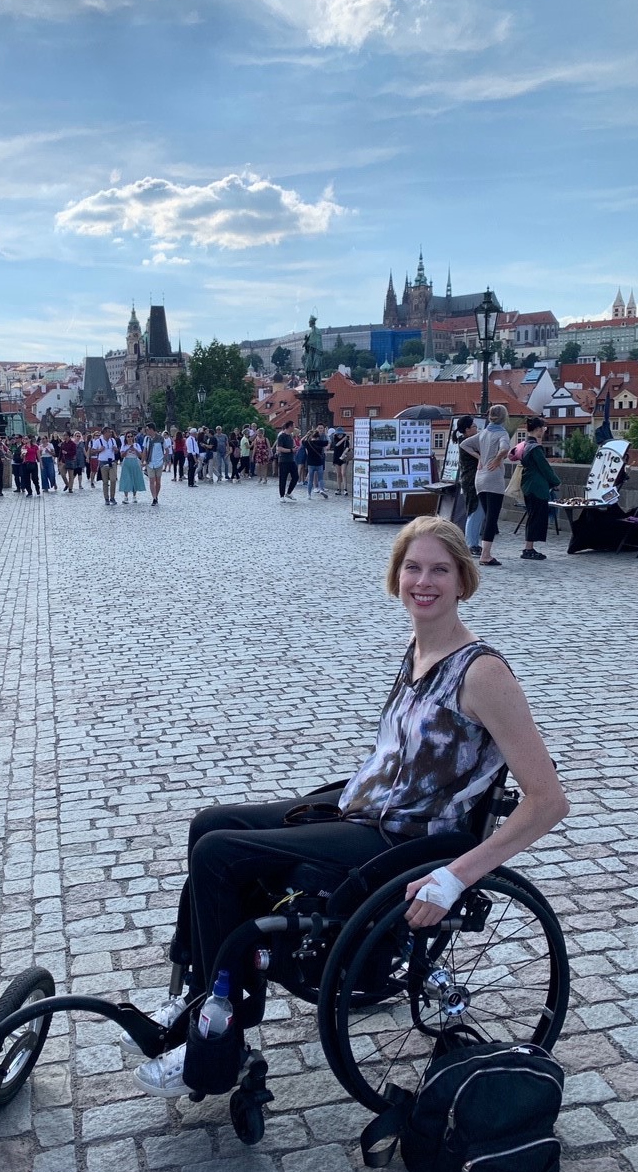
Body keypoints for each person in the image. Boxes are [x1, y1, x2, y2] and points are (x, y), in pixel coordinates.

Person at [130, 517, 568, 1096]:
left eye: (440, 569)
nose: (424, 581)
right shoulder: (419, 648)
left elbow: (548, 801)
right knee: (209, 823)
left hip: (403, 841)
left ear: (464, 579)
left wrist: (455, 877)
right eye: (413, 567)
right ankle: (204, 999)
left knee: (218, 854)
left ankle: (219, 1042)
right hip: (364, 809)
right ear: (397, 576)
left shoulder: (482, 673)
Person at [460, 405, 511, 567]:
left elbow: (464, 445)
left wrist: (480, 456)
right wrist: (497, 459)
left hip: (479, 478)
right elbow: (505, 448)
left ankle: (482, 550)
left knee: (486, 515)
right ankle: (486, 554)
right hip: (493, 478)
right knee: (491, 517)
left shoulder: (483, 433)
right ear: (504, 417)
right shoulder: (501, 433)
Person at [519, 417, 560, 560]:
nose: (543, 431)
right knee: (536, 518)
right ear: (538, 429)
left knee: (532, 516)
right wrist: (556, 481)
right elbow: (545, 467)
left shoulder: (525, 445)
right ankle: (528, 549)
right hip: (536, 487)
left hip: (528, 485)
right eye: (543, 429)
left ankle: (528, 548)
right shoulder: (535, 448)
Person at [453, 416, 483, 554]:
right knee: (474, 511)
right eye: (474, 426)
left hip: (470, 479)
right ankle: (471, 544)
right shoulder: (467, 443)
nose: (476, 429)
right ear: (467, 429)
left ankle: (473, 542)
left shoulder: (464, 441)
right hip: (471, 480)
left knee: (476, 511)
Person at [92, 426, 119, 505]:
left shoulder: (113, 440)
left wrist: (116, 450)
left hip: (112, 462)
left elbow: (117, 451)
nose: (110, 433)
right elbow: (92, 451)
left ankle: (112, 497)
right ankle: (106, 498)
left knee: (113, 480)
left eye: (110, 432)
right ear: (104, 433)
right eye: (108, 432)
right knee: (105, 482)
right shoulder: (98, 441)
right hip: (103, 463)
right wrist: (99, 450)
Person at [275, 420, 298, 501]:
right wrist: (291, 450)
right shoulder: (281, 436)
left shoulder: (290, 436)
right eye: (293, 426)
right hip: (283, 460)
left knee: (295, 477)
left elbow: (293, 445)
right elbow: (280, 448)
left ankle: (288, 493)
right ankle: (281, 496)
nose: (294, 428)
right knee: (283, 479)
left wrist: (295, 448)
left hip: (291, 460)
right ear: (290, 427)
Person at [119, 434, 146, 503]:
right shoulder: (124, 445)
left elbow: (140, 455)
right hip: (127, 462)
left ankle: (134, 496)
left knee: (135, 478)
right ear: (126, 438)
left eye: (131, 436)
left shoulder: (136, 445)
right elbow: (122, 455)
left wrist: (135, 450)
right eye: (128, 437)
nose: (130, 438)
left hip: (135, 461)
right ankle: (126, 497)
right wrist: (128, 449)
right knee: (126, 479)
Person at [303, 425, 329, 499]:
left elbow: (302, 441)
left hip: (311, 463)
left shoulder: (308, 443)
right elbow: (327, 442)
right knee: (320, 478)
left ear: (312, 437)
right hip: (319, 463)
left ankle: (309, 495)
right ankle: (321, 489)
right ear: (318, 437)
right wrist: (326, 434)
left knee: (310, 480)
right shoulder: (320, 442)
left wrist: (307, 435)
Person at [143, 423, 165, 506]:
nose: (146, 431)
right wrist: (143, 462)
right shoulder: (146, 439)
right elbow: (144, 450)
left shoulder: (160, 438)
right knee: (152, 481)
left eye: (147, 429)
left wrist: (163, 459)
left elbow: (166, 449)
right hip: (150, 462)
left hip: (159, 463)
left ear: (152, 429)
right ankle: (154, 498)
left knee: (158, 482)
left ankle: (156, 495)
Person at [331, 428, 350, 495]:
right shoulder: (335, 439)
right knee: (338, 474)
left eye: (341, 434)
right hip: (336, 458)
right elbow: (336, 445)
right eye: (338, 434)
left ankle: (345, 489)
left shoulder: (346, 441)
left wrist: (344, 453)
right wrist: (343, 439)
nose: (340, 435)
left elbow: (348, 448)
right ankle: (338, 489)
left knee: (343, 473)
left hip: (343, 458)